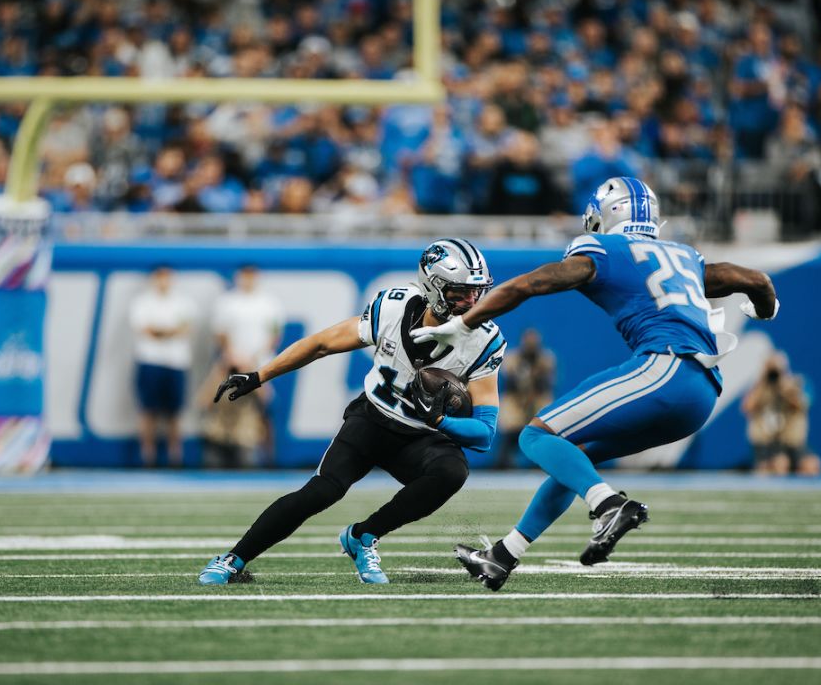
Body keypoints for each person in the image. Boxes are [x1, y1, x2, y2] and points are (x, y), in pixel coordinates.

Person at [414, 177, 779, 590]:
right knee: (574, 458)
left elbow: (530, 284)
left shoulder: (606, 249)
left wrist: (464, 323)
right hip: (703, 391)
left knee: (535, 437)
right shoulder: (683, 255)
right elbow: (755, 280)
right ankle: (502, 556)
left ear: (607, 215)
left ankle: (608, 505)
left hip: (664, 369)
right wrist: (764, 310)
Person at [198, 239, 507, 585]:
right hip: (372, 419)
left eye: (477, 292)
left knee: (452, 472)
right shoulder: (393, 307)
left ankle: (363, 535)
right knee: (322, 491)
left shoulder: (484, 340)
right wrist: (259, 376)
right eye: (460, 292)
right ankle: (232, 559)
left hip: (421, 436)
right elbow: (321, 344)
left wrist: (440, 421)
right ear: (434, 286)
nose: (472, 302)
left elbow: (485, 434)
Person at [203, 265, 285, 467]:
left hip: (261, 363)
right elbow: (220, 333)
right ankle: (220, 452)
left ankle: (268, 458)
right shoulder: (228, 302)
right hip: (231, 362)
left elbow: (275, 335)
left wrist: (253, 359)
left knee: (264, 409)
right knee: (220, 403)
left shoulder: (269, 303)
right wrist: (234, 356)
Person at [129, 266, 198, 468]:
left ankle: (175, 457)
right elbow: (146, 330)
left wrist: (162, 331)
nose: (163, 281)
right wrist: (170, 331)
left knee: (174, 412)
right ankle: (147, 457)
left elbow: (185, 329)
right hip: (150, 361)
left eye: (166, 277)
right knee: (147, 410)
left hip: (176, 362)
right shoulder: (143, 302)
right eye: (160, 277)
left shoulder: (184, 302)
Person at [743, 354, 821, 476]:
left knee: (811, 465)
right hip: (769, 442)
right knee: (779, 464)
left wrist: (785, 385)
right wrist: (763, 378)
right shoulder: (760, 387)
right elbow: (747, 407)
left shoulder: (795, 383)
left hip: (793, 441)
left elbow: (802, 404)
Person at [496, 329, 556, 469]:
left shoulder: (546, 359)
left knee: (543, 425)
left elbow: (545, 385)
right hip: (516, 399)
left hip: (537, 398)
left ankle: (543, 460)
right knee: (510, 425)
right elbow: (511, 383)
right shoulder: (512, 358)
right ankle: (503, 462)